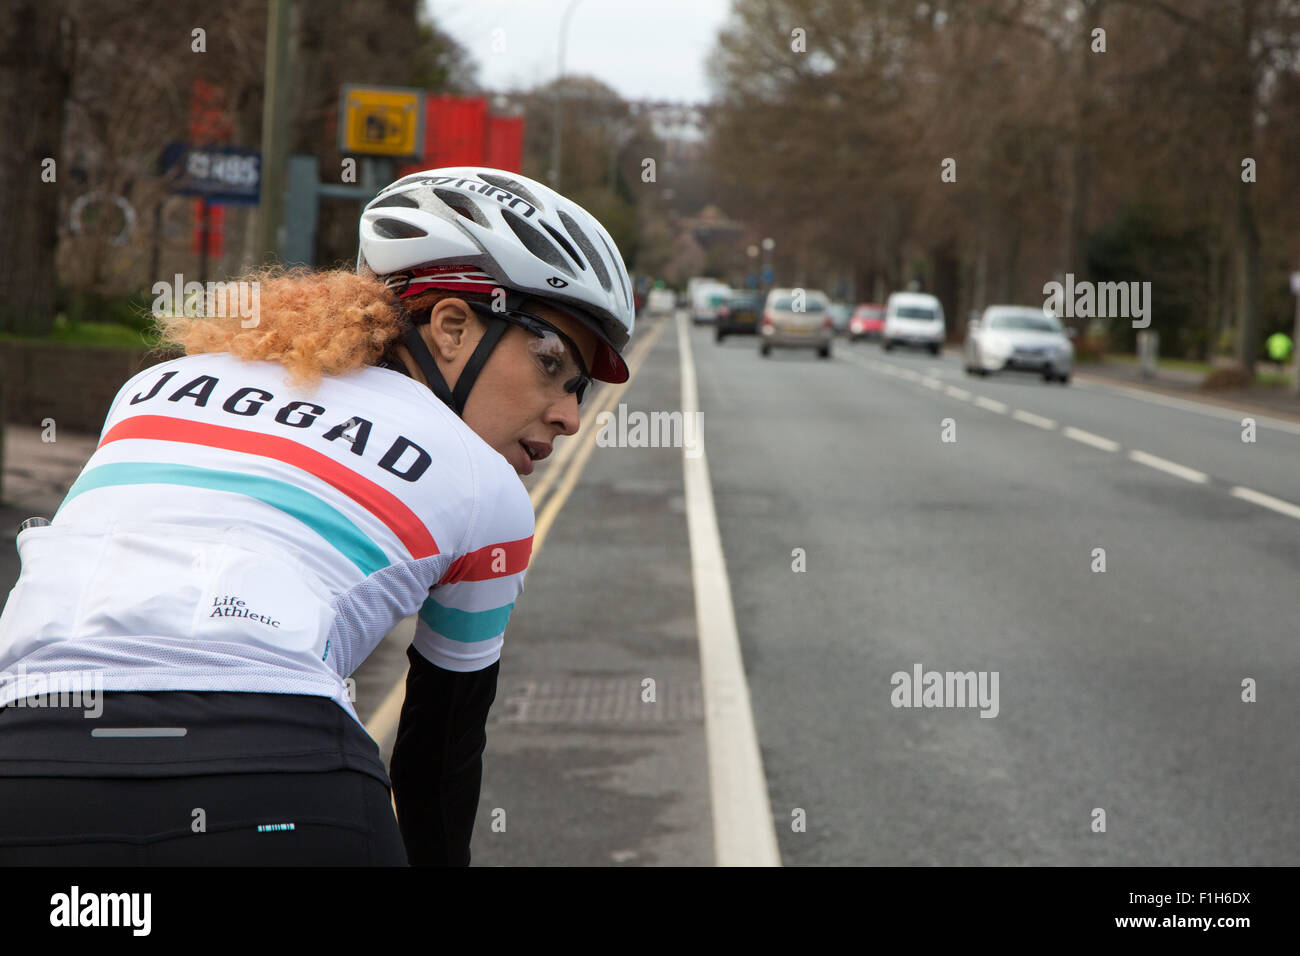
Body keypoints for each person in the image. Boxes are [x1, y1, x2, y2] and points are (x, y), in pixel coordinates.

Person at [0, 166, 634, 865]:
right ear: (452, 326)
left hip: (28, 753)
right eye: (554, 365)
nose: (572, 415)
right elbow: (436, 766)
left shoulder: (152, 387)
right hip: (282, 776)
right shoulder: (488, 486)